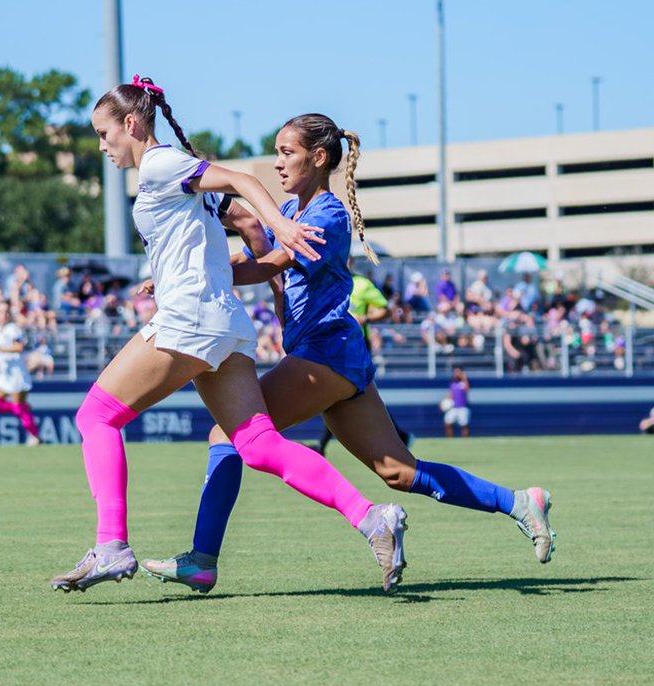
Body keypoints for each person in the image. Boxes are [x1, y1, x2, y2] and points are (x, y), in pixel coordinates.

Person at [139, 113, 555, 594]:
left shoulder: (328, 215)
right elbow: (254, 251)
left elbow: (272, 262)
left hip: (325, 353)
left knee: (228, 431)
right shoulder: (295, 215)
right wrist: (207, 251)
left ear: (318, 158)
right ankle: (521, 502)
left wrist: (198, 276)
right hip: (337, 356)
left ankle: (203, 560)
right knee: (399, 471)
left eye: (286, 153)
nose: (277, 164)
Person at [50, 78, 409, 595]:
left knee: (96, 416)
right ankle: (372, 517)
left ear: (131, 124)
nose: (102, 146)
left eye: (104, 134)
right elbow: (237, 220)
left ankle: (111, 547)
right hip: (224, 322)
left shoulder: (157, 162)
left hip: (190, 319)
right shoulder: (170, 173)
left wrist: (281, 230)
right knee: (258, 444)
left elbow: (242, 182)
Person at [314, 261, 413, 454]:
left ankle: (321, 446)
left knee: (341, 394)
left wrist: (366, 319)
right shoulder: (326, 281)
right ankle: (399, 435)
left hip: (357, 345)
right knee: (346, 395)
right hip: (332, 345)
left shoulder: (361, 284)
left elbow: (385, 309)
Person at [0, 301, 42, 445]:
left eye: (5, 312)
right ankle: (22, 409)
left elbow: (19, 347)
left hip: (17, 374)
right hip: (4, 374)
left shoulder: (13, 329)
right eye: (0, 311)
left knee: (18, 408)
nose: (2, 315)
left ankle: (35, 436)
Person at [443, 367, 471, 437]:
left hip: (462, 408)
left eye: (458, 372)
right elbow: (450, 395)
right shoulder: (452, 384)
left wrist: (464, 378)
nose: (456, 374)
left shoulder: (464, 383)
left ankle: (466, 441)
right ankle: (450, 440)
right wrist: (444, 403)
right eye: (455, 372)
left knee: (464, 425)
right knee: (448, 424)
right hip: (453, 408)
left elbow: (467, 390)